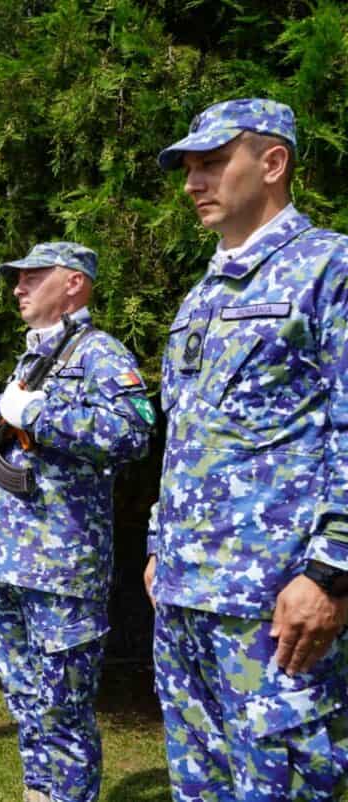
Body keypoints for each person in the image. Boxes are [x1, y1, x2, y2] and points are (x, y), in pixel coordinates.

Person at [149, 98, 348, 801]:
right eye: (187, 168)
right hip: (185, 599)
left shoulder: (331, 268)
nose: (192, 182)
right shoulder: (201, 295)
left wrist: (331, 573)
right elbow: (187, 433)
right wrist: (156, 547)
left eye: (211, 163)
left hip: (274, 605)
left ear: (272, 164)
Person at [0, 243, 153, 802]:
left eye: (32, 278)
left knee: (63, 705)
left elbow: (132, 432)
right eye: (16, 280)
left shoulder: (100, 355)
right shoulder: (34, 360)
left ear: (74, 283)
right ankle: (39, 792)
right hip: (10, 561)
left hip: (63, 564)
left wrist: (38, 413)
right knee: (24, 699)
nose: (18, 288)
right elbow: (5, 436)